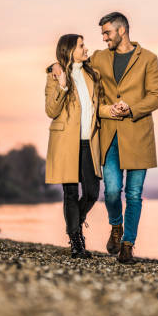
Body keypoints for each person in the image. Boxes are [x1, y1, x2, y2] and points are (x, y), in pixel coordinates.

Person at [53, 12, 158, 264]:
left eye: (107, 33)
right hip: (109, 134)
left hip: (138, 134)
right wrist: (55, 67)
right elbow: (73, 61)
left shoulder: (149, 59)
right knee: (112, 191)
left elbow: (156, 96)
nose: (103, 38)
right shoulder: (100, 58)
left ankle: (127, 245)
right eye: (102, 34)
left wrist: (131, 106)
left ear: (121, 31)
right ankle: (116, 225)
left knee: (134, 194)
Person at [45, 34, 103, 259]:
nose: (85, 48)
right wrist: (61, 85)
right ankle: (76, 243)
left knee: (91, 192)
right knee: (70, 193)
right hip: (65, 142)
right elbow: (51, 111)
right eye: (81, 46)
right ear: (69, 50)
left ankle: (74, 227)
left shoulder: (92, 74)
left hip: (90, 141)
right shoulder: (55, 76)